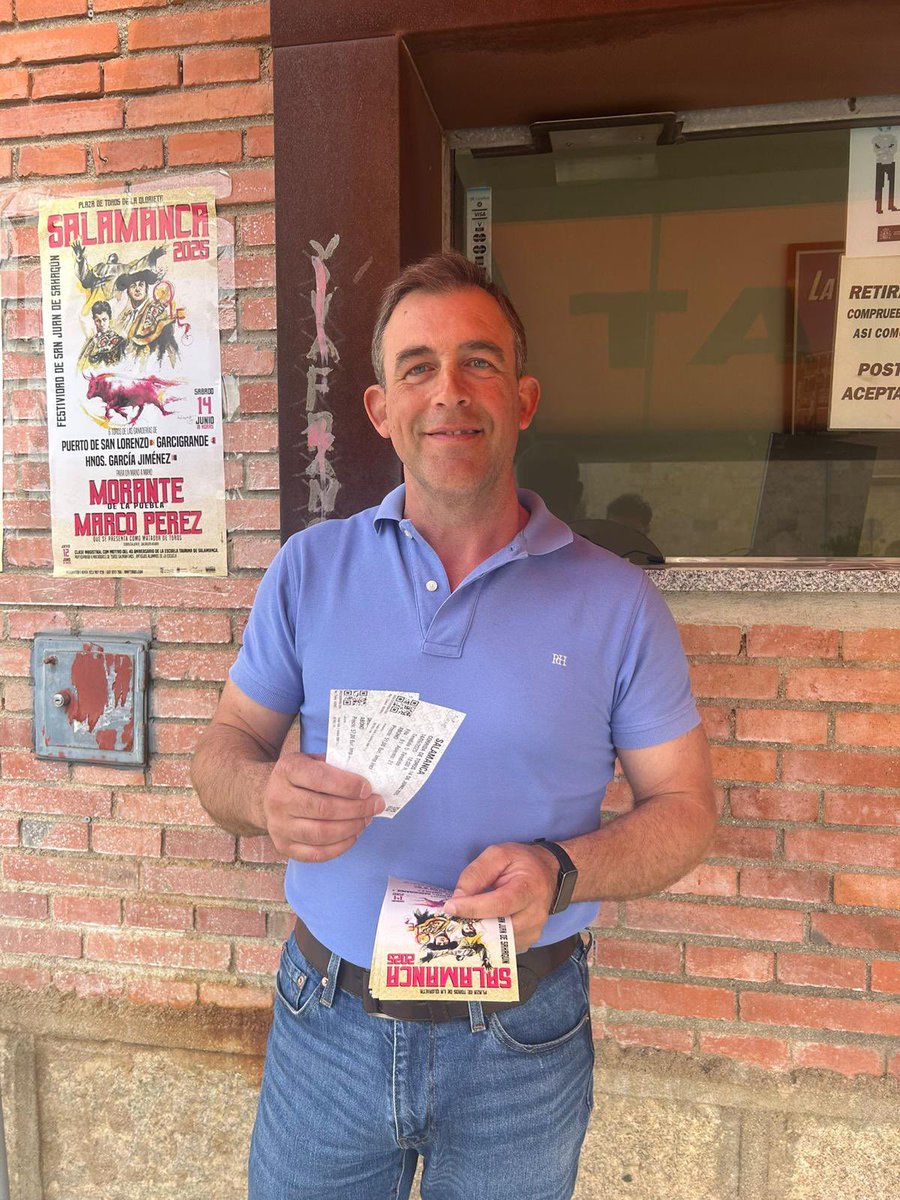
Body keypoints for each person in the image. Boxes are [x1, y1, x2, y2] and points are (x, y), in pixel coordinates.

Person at [191, 251, 716, 1200]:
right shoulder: (309, 571)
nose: (449, 394)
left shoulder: (618, 602)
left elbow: (684, 809)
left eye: (479, 363)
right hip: (327, 1022)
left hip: (521, 1036)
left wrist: (562, 873)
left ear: (523, 399)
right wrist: (262, 794)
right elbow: (222, 751)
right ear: (379, 409)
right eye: (417, 368)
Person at [114, 268, 180, 367]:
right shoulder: (125, 316)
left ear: (146, 289)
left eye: (141, 285)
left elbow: (167, 345)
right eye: (133, 286)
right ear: (128, 292)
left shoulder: (156, 311)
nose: (137, 289)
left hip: (152, 363)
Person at [76, 299, 127, 372]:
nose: (102, 324)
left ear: (110, 318)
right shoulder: (92, 340)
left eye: (104, 319)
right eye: (98, 320)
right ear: (94, 320)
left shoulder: (118, 342)